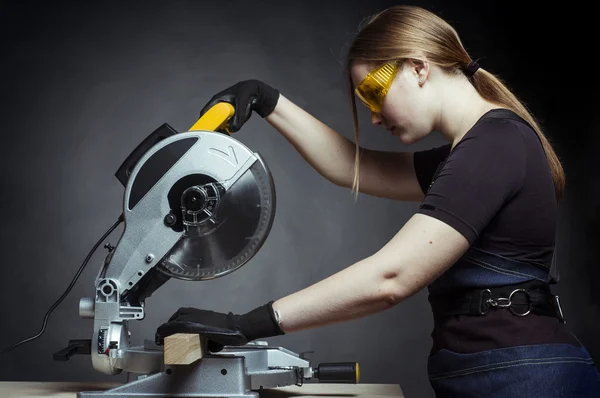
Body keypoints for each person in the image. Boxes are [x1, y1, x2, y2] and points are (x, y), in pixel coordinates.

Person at [155, 5, 600, 397]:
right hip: (494, 374)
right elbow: (353, 166)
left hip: (528, 380)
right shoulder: (474, 152)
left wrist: (243, 325)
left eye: (373, 92)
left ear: (417, 68)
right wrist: (268, 100)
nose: (372, 114)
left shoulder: (495, 144)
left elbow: (392, 277)